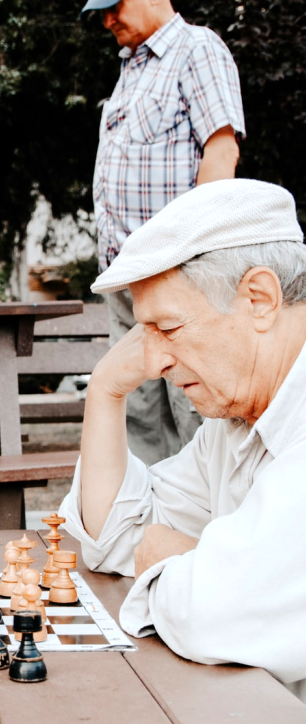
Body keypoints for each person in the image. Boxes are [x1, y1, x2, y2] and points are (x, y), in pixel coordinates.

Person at [58, 179, 306, 702]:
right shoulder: (235, 422)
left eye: (167, 328)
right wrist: (104, 391)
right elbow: (116, 539)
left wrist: (187, 565)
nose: (154, 361)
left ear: (259, 299)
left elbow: (213, 616)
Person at [81, 0, 245, 465]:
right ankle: (151, 529)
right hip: (124, 275)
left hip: (176, 271)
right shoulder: (131, 67)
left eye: (114, 6)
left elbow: (221, 151)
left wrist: (191, 255)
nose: (107, 19)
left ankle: (207, 531)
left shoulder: (197, 49)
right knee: (138, 414)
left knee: (194, 408)